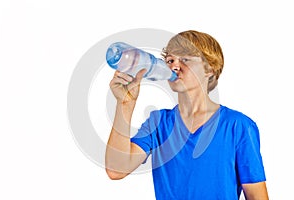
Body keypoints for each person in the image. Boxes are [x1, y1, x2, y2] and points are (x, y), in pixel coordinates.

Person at [105, 30, 269, 199]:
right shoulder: (158, 123)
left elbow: (257, 196)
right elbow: (116, 170)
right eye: (170, 60)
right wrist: (125, 105)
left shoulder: (238, 126)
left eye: (185, 59)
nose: (174, 66)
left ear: (210, 69)